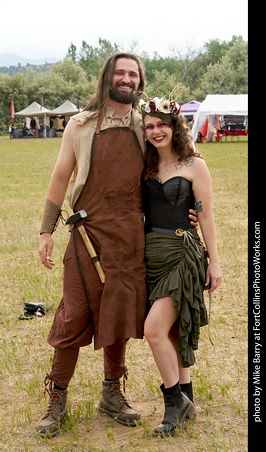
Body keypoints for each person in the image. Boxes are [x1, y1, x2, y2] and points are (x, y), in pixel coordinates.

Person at [36, 53, 198, 437]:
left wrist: (190, 206)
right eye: (120, 72)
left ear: (139, 82)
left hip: (131, 236)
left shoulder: (147, 125)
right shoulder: (79, 124)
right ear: (107, 76)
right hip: (86, 234)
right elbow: (61, 177)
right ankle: (57, 397)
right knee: (73, 316)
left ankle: (112, 392)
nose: (126, 79)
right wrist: (46, 231)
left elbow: (180, 159)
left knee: (121, 313)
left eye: (133, 74)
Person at [139, 88, 222, 437]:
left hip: (182, 253)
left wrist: (214, 263)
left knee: (153, 329)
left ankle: (175, 403)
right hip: (151, 255)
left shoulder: (194, 165)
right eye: (149, 126)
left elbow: (206, 216)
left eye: (162, 124)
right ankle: (186, 396)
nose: (156, 131)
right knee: (172, 330)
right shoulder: (145, 165)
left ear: (174, 125)